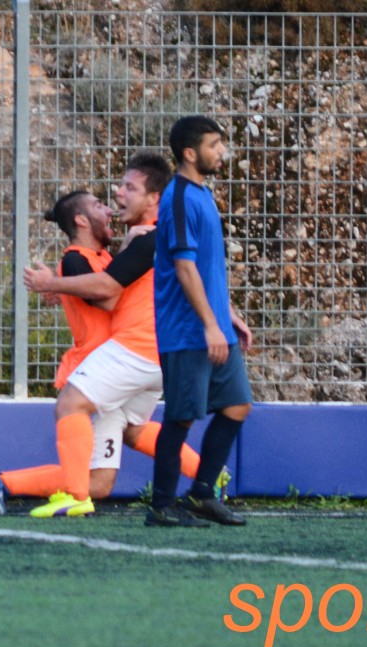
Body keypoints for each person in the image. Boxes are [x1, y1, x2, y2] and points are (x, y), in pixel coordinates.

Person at [0, 154, 204, 516]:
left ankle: (74, 496)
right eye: (100, 204)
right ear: (81, 220)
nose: (112, 202)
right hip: (125, 359)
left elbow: (109, 290)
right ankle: (3, 483)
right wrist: (59, 284)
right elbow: (108, 288)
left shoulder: (140, 243)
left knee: (71, 407)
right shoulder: (81, 257)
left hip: (129, 356)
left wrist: (55, 284)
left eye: (128, 187)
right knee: (113, 463)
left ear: (153, 198)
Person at [146, 115, 254, 528]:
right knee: (181, 417)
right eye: (213, 144)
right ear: (190, 154)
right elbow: (184, 268)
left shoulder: (203, 194)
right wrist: (210, 325)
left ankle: (202, 494)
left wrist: (228, 316)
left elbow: (206, 269)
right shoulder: (177, 198)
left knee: (238, 406)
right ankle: (161, 506)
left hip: (214, 326)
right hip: (188, 332)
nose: (222, 151)